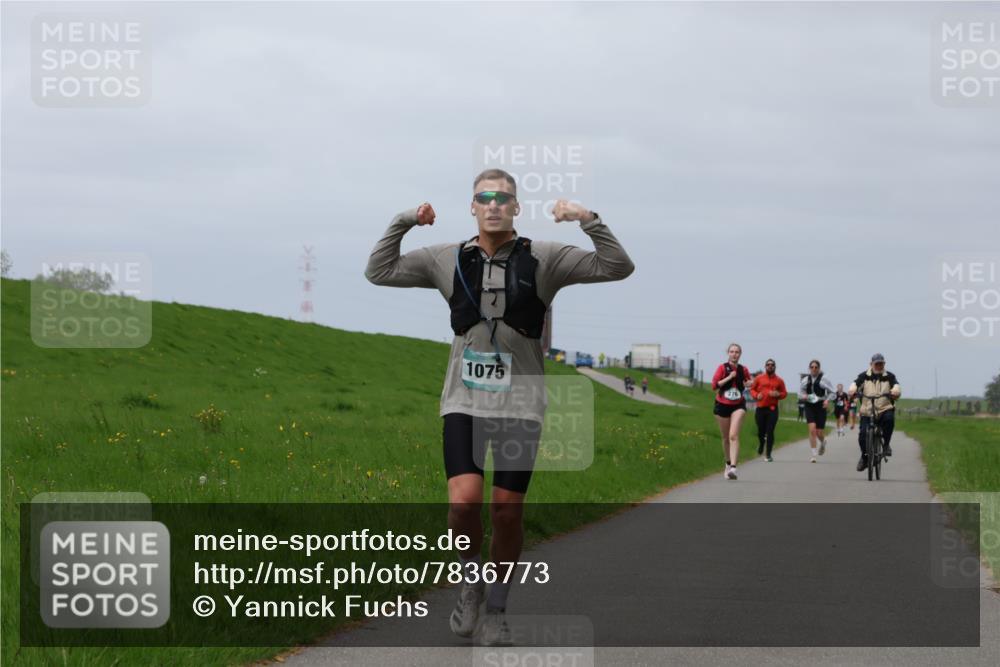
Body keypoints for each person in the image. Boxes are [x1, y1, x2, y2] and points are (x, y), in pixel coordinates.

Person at [365, 168, 634, 645]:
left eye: (503, 198)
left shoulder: (545, 258)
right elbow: (379, 271)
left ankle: (497, 610)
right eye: (484, 197)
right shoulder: (446, 258)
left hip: (522, 405)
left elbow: (617, 266)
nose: (493, 204)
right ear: (472, 206)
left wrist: (585, 218)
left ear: (516, 208)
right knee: (463, 503)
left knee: (506, 512)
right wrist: (406, 219)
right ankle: (470, 582)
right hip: (463, 402)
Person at [848, 353, 901, 472]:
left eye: (881, 363)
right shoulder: (863, 376)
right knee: (862, 436)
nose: (879, 366)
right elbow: (855, 384)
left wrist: (895, 392)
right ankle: (865, 457)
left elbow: (896, 386)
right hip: (867, 411)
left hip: (884, 408)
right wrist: (852, 391)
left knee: (889, 420)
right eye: (876, 364)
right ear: (871, 364)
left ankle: (886, 445)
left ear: (884, 364)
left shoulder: (890, 376)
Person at [711, 343, 752, 480]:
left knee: (733, 435)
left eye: (737, 352)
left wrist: (750, 383)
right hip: (722, 404)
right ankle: (728, 463)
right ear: (728, 353)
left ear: (740, 354)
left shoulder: (743, 369)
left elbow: (749, 382)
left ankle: (734, 467)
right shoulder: (722, 368)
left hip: (738, 405)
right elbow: (714, 385)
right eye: (732, 351)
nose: (734, 354)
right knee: (725, 438)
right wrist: (729, 377)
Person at [750, 358, 787, 462]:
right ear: (765, 366)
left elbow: (784, 393)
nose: (770, 366)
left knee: (770, 431)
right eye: (768, 365)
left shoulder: (779, 380)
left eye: (772, 365)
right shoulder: (759, 378)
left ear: (775, 367)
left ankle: (768, 454)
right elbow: (752, 389)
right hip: (760, 409)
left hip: (772, 409)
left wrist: (778, 394)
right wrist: (757, 395)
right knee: (761, 431)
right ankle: (761, 444)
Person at [799, 360, 835, 463]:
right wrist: (804, 396)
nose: (814, 369)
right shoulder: (805, 380)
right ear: (809, 368)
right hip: (809, 405)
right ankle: (814, 454)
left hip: (820, 405)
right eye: (812, 367)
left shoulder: (824, 380)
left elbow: (832, 393)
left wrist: (827, 401)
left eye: (816, 367)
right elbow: (800, 393)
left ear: (819, 368)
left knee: (819, 432)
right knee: (812, 429)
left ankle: (823, 442)